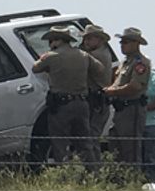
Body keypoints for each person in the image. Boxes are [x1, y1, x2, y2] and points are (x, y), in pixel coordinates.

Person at [32, 26, 104, 167]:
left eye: (51, 40)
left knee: (60, 142)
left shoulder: (51, 57)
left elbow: (35, 68)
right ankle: (92, 172)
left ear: (56, 41)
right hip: (82, 104)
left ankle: (64, 173)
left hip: (61, 106)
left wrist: (47, 56)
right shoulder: (83, 55)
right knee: (84, 142)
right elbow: (100, 69)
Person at [103, 27, 151, 169]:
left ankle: (133, 180)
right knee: (115, 146)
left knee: (131, 148)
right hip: (120, 109)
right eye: (121, 42)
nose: (122, 45)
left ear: (136, 43)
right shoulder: (125, 62)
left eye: (126, 42)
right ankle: (120, 180)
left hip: (132, 109)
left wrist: (113, 91)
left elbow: (135, 86)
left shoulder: (140, 63)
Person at [79, 24, 114, 160]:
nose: (86, 42)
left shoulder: (96, 55)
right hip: (98, 100)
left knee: (91, 137)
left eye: (90, 38)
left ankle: (93, 169)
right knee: (92, 137)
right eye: (85, 39)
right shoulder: (103, 52)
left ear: (100, 40)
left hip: (96, 101)